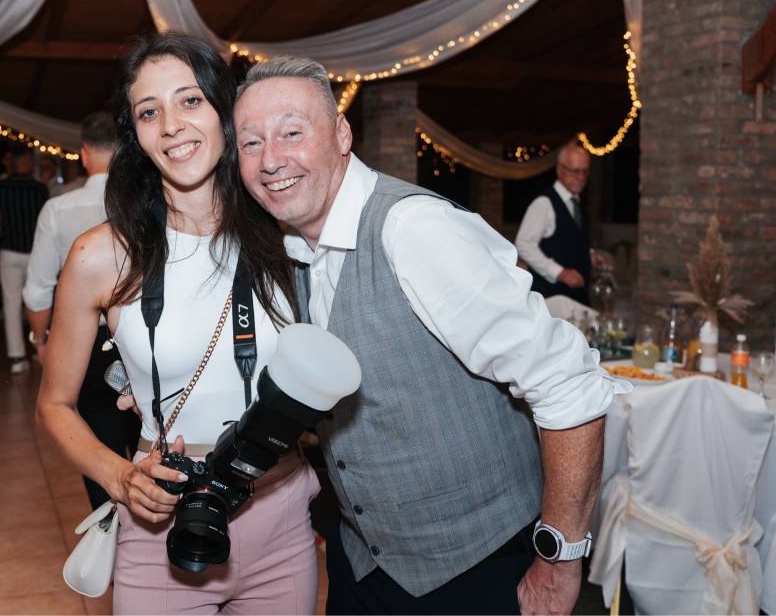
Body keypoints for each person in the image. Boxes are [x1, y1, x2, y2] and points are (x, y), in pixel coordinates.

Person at [234, 56, 630, 615]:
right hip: (362, 562)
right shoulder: (293, 252)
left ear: (342, 134)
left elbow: (570, 384)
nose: (271, 159)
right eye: (250, 143)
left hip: (478, 568)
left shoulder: (412, 229)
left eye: (292, 132)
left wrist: (560, 558)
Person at [35, 34, 319, 614]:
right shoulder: (100, 256)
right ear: (135, 136)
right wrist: (119, 477)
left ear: (225, 112)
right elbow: (53, 405)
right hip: (162, 522)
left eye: (190, 100)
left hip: (282, 516)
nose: (170, 126)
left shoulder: (288, 237)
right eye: (149, 112)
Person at [23, 112, 140, 509]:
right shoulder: (149, 202)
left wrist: (41, 339)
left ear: (85, 153)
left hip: (84, 340)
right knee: (150, 442)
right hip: (144, 334)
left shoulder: (58, 209)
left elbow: (38, 290)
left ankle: (110, 530)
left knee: (98, 448)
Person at [515, 141, 602, 305]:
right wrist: (559, 272)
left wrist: (590, 255)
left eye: (585, 171)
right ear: (560, 169)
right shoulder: (544, 204)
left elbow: (572, 241)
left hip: (578, 297)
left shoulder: (578, 203)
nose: (581, 178)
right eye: (575, 171)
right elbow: (523, 244)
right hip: (551, 298)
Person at [0, 146, 48, 373]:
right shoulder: (40, 188)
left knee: (11, 304)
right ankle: (39, 350)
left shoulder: (0, 186)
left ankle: (17, 357)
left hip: (9, 250)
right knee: (38, 303)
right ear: (28, 163)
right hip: (34, 251)